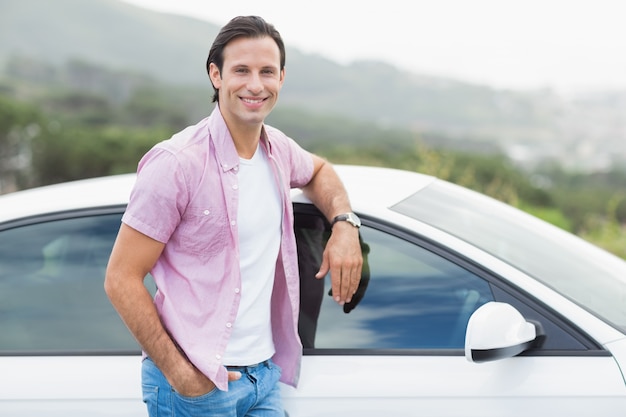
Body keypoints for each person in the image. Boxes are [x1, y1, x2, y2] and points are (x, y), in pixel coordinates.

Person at [104, 15, 363, 417]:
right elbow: (120, 278)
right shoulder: (177, 164)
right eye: (241, 70)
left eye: (267, 72)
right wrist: (182, 375)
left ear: (281, 78)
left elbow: (320, 171)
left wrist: (345, 224)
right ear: (216, 75)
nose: (256, 85)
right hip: (197, 385)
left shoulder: (277, 151)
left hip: (264, 377)